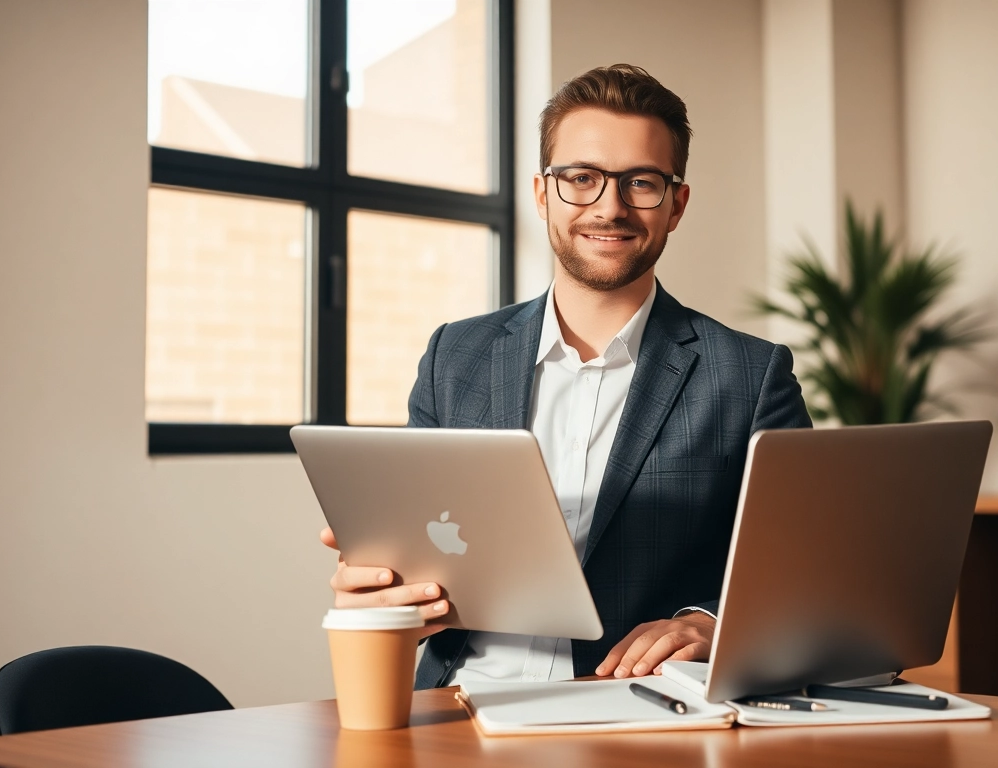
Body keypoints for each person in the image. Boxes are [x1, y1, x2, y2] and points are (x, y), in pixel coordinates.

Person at [320, 64, 811, 688]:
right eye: (582, 178)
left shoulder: (750, 374)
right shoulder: (454, 355)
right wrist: (382, 594)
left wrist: (710, 621)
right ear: (542, 192)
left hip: (638, 716)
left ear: (677, 204)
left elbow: (802, 583)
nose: (610, 207)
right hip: (453, 711)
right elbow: (413, 565)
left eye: (641, 182)